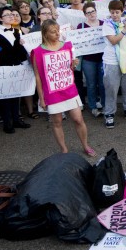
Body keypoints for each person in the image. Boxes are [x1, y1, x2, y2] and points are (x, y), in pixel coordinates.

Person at [31, 19, 95, 156]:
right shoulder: (37, 52)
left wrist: (74, 64)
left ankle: (85, 145)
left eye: (58, 31)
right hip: (52, 93)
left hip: (69, 89)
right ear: (45, 34)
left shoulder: (67, 46)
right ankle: (64, 149)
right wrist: (41, 98)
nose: (57, 34)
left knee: (78, 119)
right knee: (57, 122)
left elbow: (71, 68)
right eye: (53, 32)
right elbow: (37, 77)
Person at [0, 6, 31, 134]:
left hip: (16, 68)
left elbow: (21, 52)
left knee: (16, 95)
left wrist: (22, 51)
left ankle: (16, 119)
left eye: (12, 14)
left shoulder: (17, 32)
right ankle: (7, 122)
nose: (11, 16)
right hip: (2, 69)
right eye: (7, 15)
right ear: (0, 18)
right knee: (5, 97)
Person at [102, 0, 126, 129]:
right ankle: (109, 114)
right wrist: (124, 30)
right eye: (112, 12)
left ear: (122, 11)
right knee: (111, 88)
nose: (115, 15)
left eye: (117, 12)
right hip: (112, 61)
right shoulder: (107, 24)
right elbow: (113, 40)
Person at [78, 2, 106, 117]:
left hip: (103, 59)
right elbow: (78, 42)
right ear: (85, 14)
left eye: (93, 11)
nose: (91, 14)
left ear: (96, 12)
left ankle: (104, 105)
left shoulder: (104, 24)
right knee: (91, 84)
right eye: (88, 12)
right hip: (88, 60)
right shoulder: (81, 26)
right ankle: (93, 106)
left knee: (103, 83)